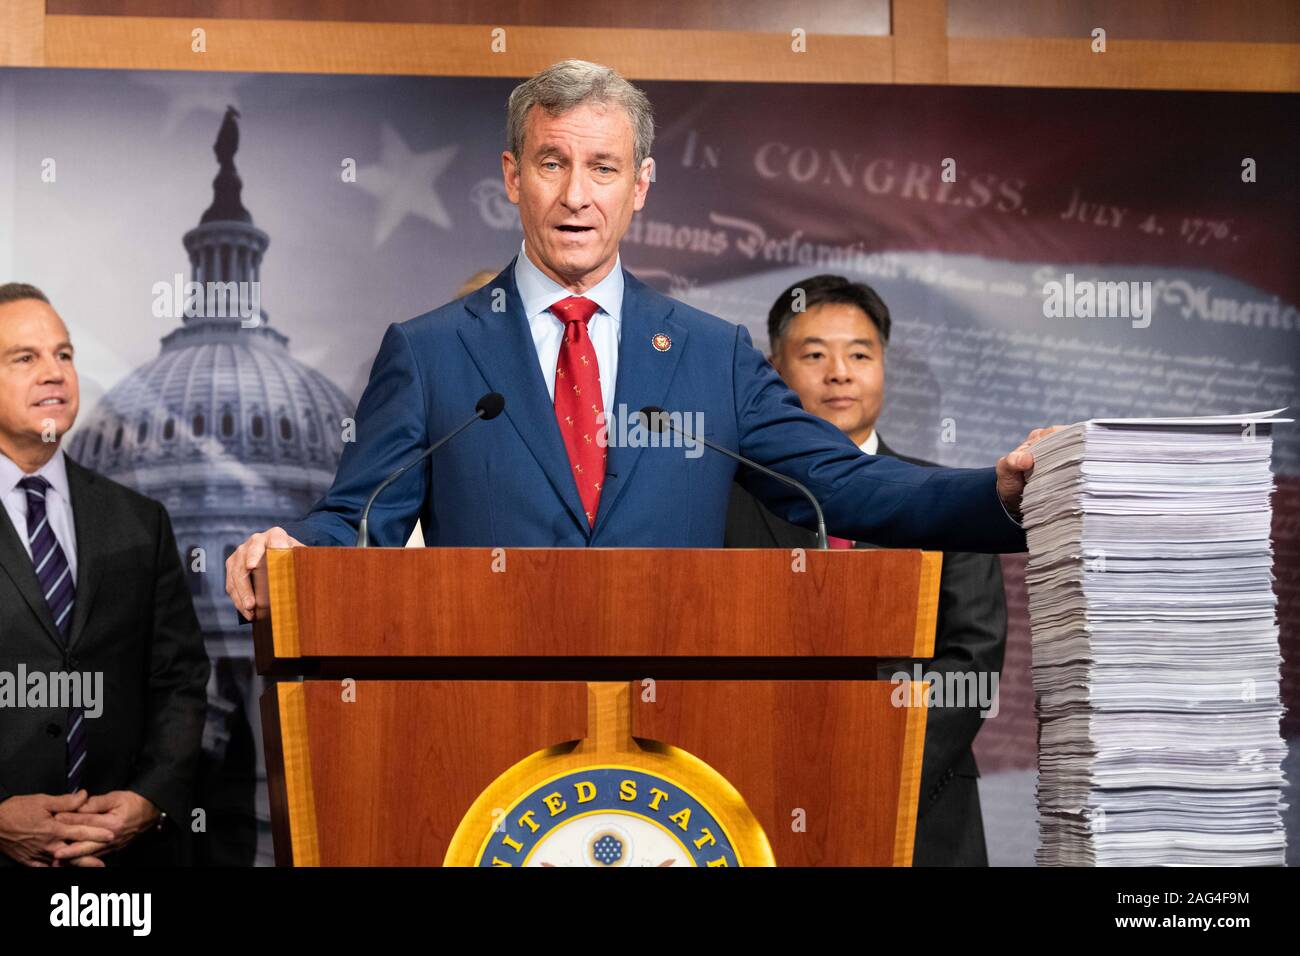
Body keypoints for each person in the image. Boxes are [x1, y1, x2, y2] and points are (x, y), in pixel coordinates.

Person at [224, 58, 1061, 617]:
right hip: (487, 724)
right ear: (514, 176)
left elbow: (850, 486)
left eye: (605, 168)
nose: (577, 196)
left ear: (642, 185)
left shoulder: (712, 354)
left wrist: (1001, 492)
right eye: (553, 163)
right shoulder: (432, 351)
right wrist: (289, 548)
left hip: (677, 739)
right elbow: (360, 520)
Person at [725, 274, 1006, 865]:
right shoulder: (728, 502)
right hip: (757, 797)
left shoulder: (946, 499)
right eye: (813, 354)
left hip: (922, 805)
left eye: (859, 353)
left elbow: (971, 658)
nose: (839, 373)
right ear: (774, 369)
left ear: (884, 366)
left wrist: (878, 774)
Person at [0, 283, 209, 867]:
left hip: (126, 863)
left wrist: (149, 800)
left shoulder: (140, 522)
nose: (54, 373)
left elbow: (180, 679)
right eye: (26, 357)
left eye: (63, 355)